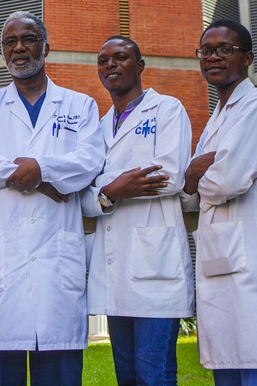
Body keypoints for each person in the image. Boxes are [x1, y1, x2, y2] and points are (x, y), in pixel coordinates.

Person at [0, 11, 104, 386]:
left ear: (46, 46)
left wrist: (38, 168)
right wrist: (38, 178)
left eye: (28, 38)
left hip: (57, 265)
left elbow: (88, 162)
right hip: (1, 265)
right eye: (10, 42)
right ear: (3, 52)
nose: (19, 47)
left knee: (58, 371)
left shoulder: (80, 105)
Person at [183, 19, 257, 385]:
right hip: (221, 261)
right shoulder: (218, 118)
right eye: (206, 50)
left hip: (255, 261)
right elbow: (191, 191)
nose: (213, 57)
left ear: (247, 57)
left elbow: (225, 182)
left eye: (224, 49)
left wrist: (200, 174)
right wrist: (195, 172)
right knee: (228, 366)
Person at [80, 36, 193, 385]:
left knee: (153, 374)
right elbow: (84, 195)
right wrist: (112, 191)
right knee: (126, 377)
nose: (110, 64)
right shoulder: (99, 127)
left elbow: (170, 175)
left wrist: (107, 189)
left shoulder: (167, 109)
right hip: (115, 268)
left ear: (140, 66)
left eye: (120, 57)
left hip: (156, 267)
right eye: (103, 60)